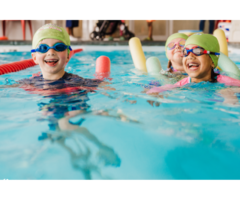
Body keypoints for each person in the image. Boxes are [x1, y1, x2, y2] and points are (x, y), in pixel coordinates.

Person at [147, 34, 240, 104]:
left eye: (197, 51)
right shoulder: (182, 83)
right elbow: (158, 90)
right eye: (186, 52)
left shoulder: (223, 81)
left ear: (212, 61)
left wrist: (231, 92)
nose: (190, 56)